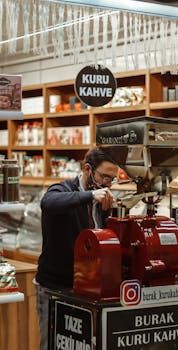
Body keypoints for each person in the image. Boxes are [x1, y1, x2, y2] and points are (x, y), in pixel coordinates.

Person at [35, 147, 119, 350]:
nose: (108, 184)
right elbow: (49, 203)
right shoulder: (63, 190)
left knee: (78, 345)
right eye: (105, 177)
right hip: (54, 287)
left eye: (112, 179)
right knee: (52, 344)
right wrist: (90, 195)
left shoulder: (103, 201)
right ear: (87, 169)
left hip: (85, 289)